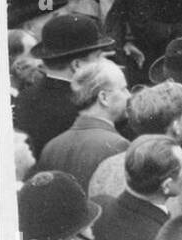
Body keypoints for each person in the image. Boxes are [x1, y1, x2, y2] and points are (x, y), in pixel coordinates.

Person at [14, 13, 116, 155]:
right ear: (77, 65)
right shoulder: (86, 107)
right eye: (98, 57)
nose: (103, 63)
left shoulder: (24, 97)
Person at [35, 58, 130, 191]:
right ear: (104, 98)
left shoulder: (51, 147)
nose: (128, 95)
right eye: (123, 89)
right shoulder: (118, 145)